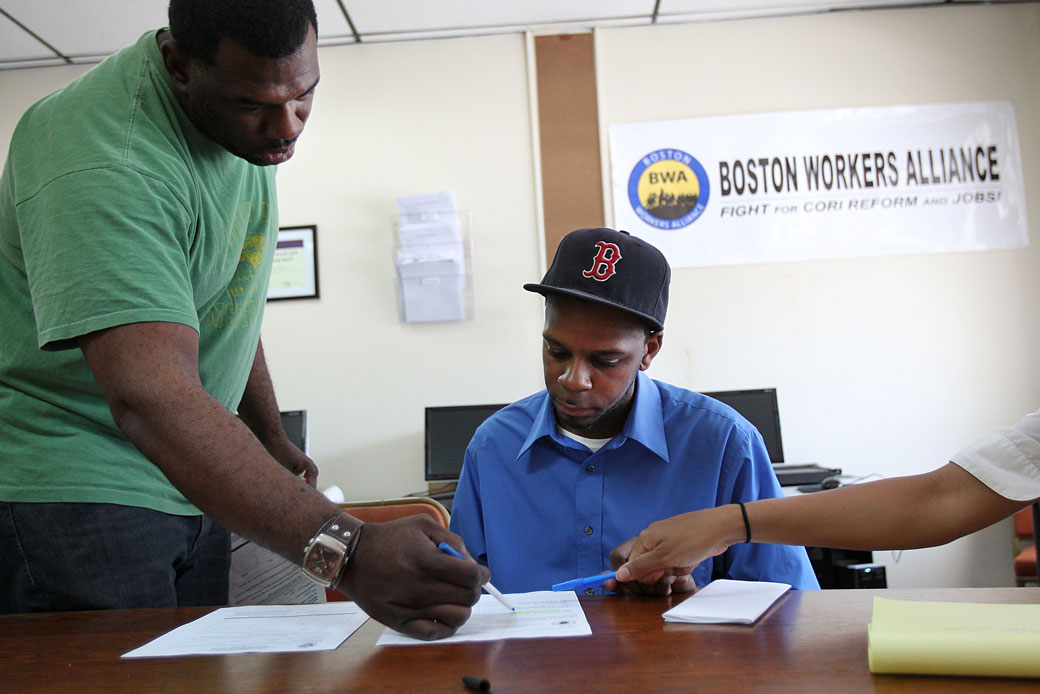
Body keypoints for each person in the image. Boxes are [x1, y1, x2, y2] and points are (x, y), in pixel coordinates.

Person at [0, 0, 486, 640]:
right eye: (255, 104)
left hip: (185, 479)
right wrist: (353, 553)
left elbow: (221, 293)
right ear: (178, 64)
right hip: (78, 490)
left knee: (198, 675)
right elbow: (150, 397)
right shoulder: (106, 158)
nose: (288, 127)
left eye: (305, 95)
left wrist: (264, 431)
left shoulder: (240, 131)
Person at [449, 227, 820, 594]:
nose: (573, 379)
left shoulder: (725, 444)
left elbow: (788, 608)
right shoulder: (492, 446)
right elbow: (465, 601)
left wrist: (693, 602)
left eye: (605, 360)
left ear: (649, 350)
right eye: (556, 351)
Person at [614, 410, 1040, 586]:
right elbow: (939, 500)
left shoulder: (726, 433)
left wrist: (726, 523)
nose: (576, 379)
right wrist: (727, 523)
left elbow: (938, 501)